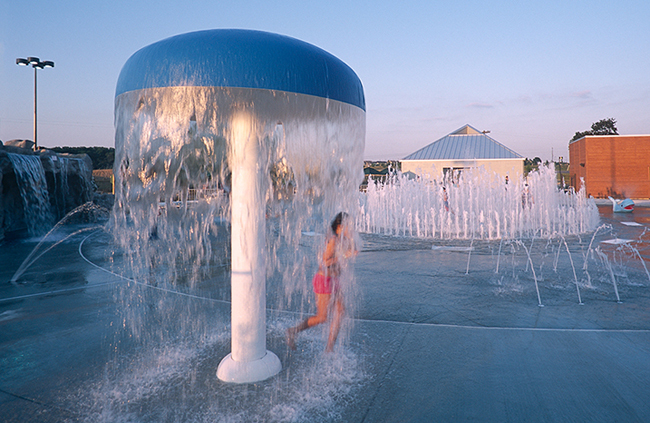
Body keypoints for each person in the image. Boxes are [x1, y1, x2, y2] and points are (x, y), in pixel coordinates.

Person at [286, 212, 357, 352]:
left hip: (333, 280)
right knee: (322, 317)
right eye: (349, 226)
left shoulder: (342, 240)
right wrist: (343, 256)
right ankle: (292, 331)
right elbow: (324, 262)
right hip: (324, 281)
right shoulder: (333, 241)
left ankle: (329, 348)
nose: (351, 228)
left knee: (341, 311)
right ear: (340, 226)